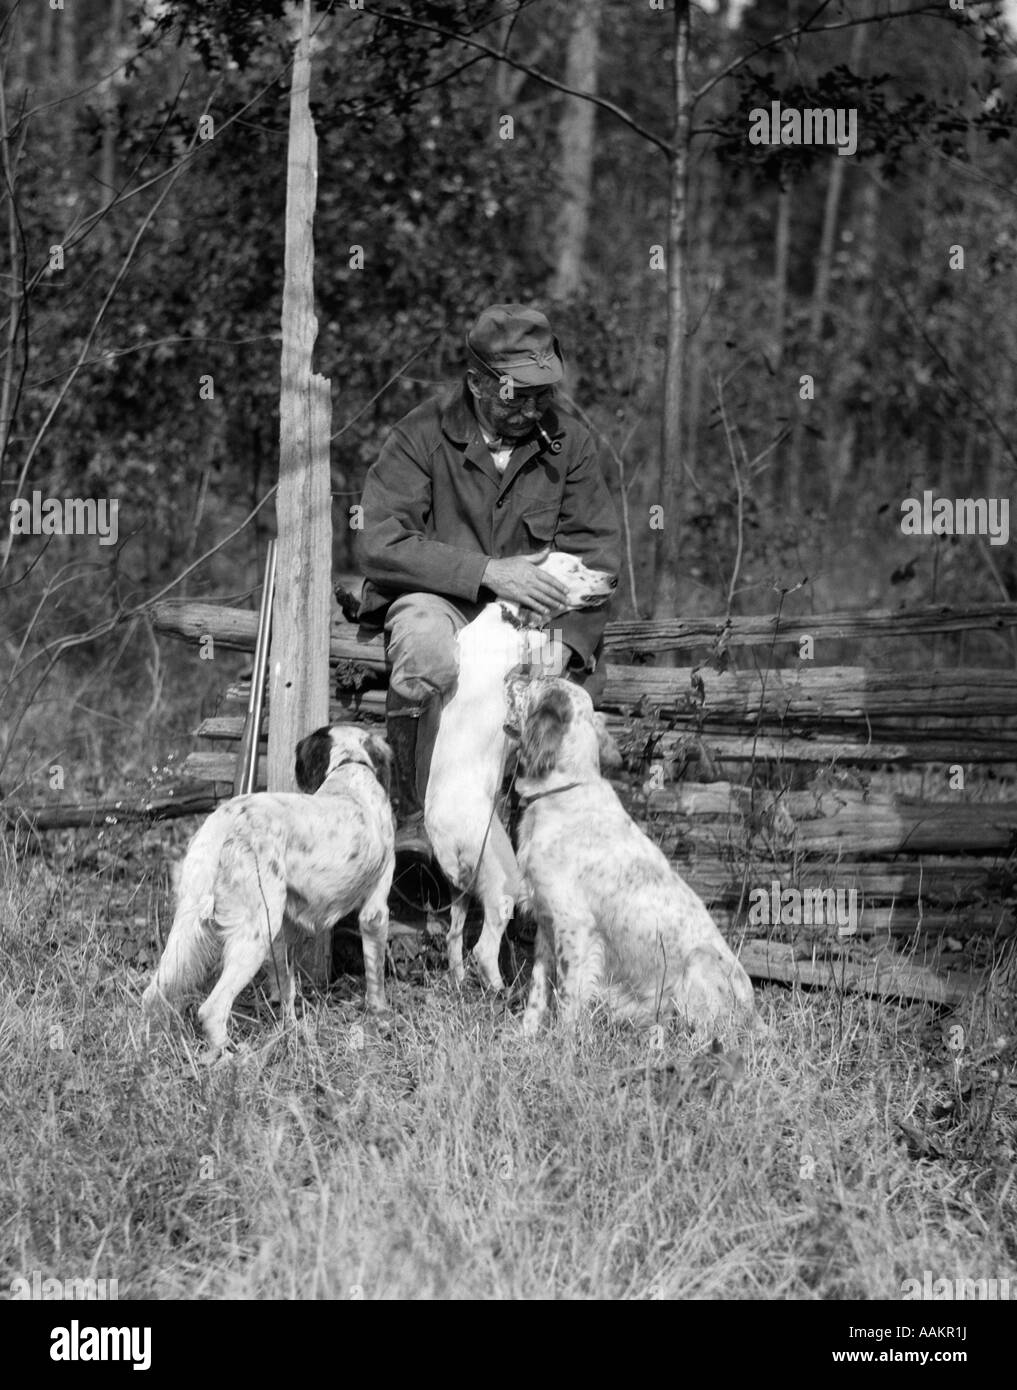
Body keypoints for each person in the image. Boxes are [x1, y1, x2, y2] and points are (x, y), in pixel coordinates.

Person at [356, 303, 621, 854]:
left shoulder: (570, 444)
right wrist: (486, 573)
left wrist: (567, 645)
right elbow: (379, 542)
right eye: (515, 393)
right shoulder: (420, 434)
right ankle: (411, 821)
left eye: (542, 393)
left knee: (558, 706)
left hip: (535, 619)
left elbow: (595, 558)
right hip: (443, 601)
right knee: (426, 648)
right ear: (476, 381)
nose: (531, 407)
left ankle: (537, 864)